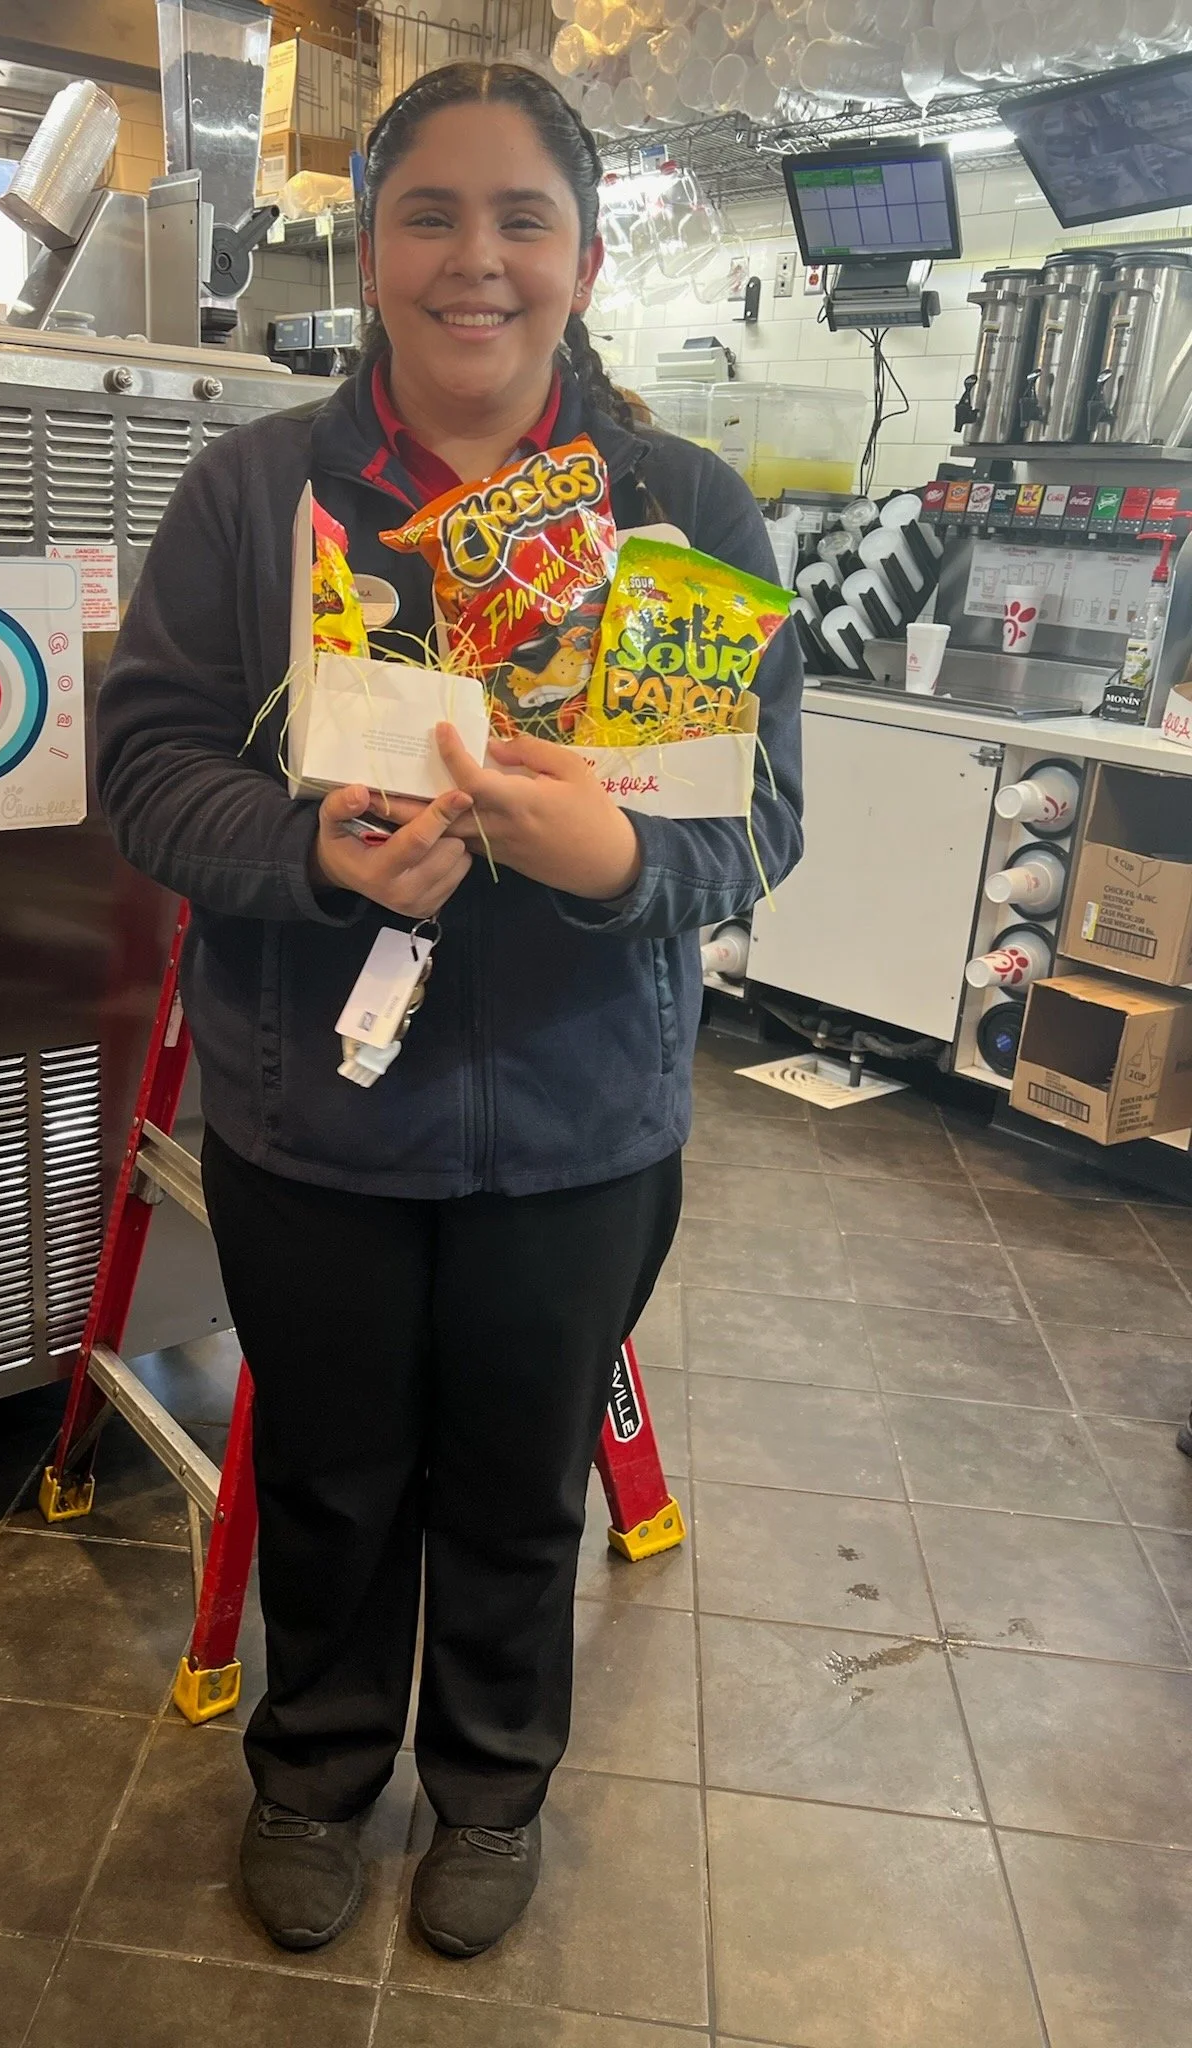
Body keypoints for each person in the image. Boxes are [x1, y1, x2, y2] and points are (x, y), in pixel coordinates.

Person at [97, 59, 804, 1960]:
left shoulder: (679, 512)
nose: (473, 259)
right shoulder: (260, 496)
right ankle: (315, 1773)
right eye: (430, 214)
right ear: (372, 247)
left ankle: (492, 1794)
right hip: (314, 1120)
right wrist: (313, 852)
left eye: (520, 220)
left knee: (516, 1485)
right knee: (329, 1478)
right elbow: (148, 771)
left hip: (580, 1128)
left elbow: (759, 820)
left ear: (583, 261)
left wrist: (615, 859)